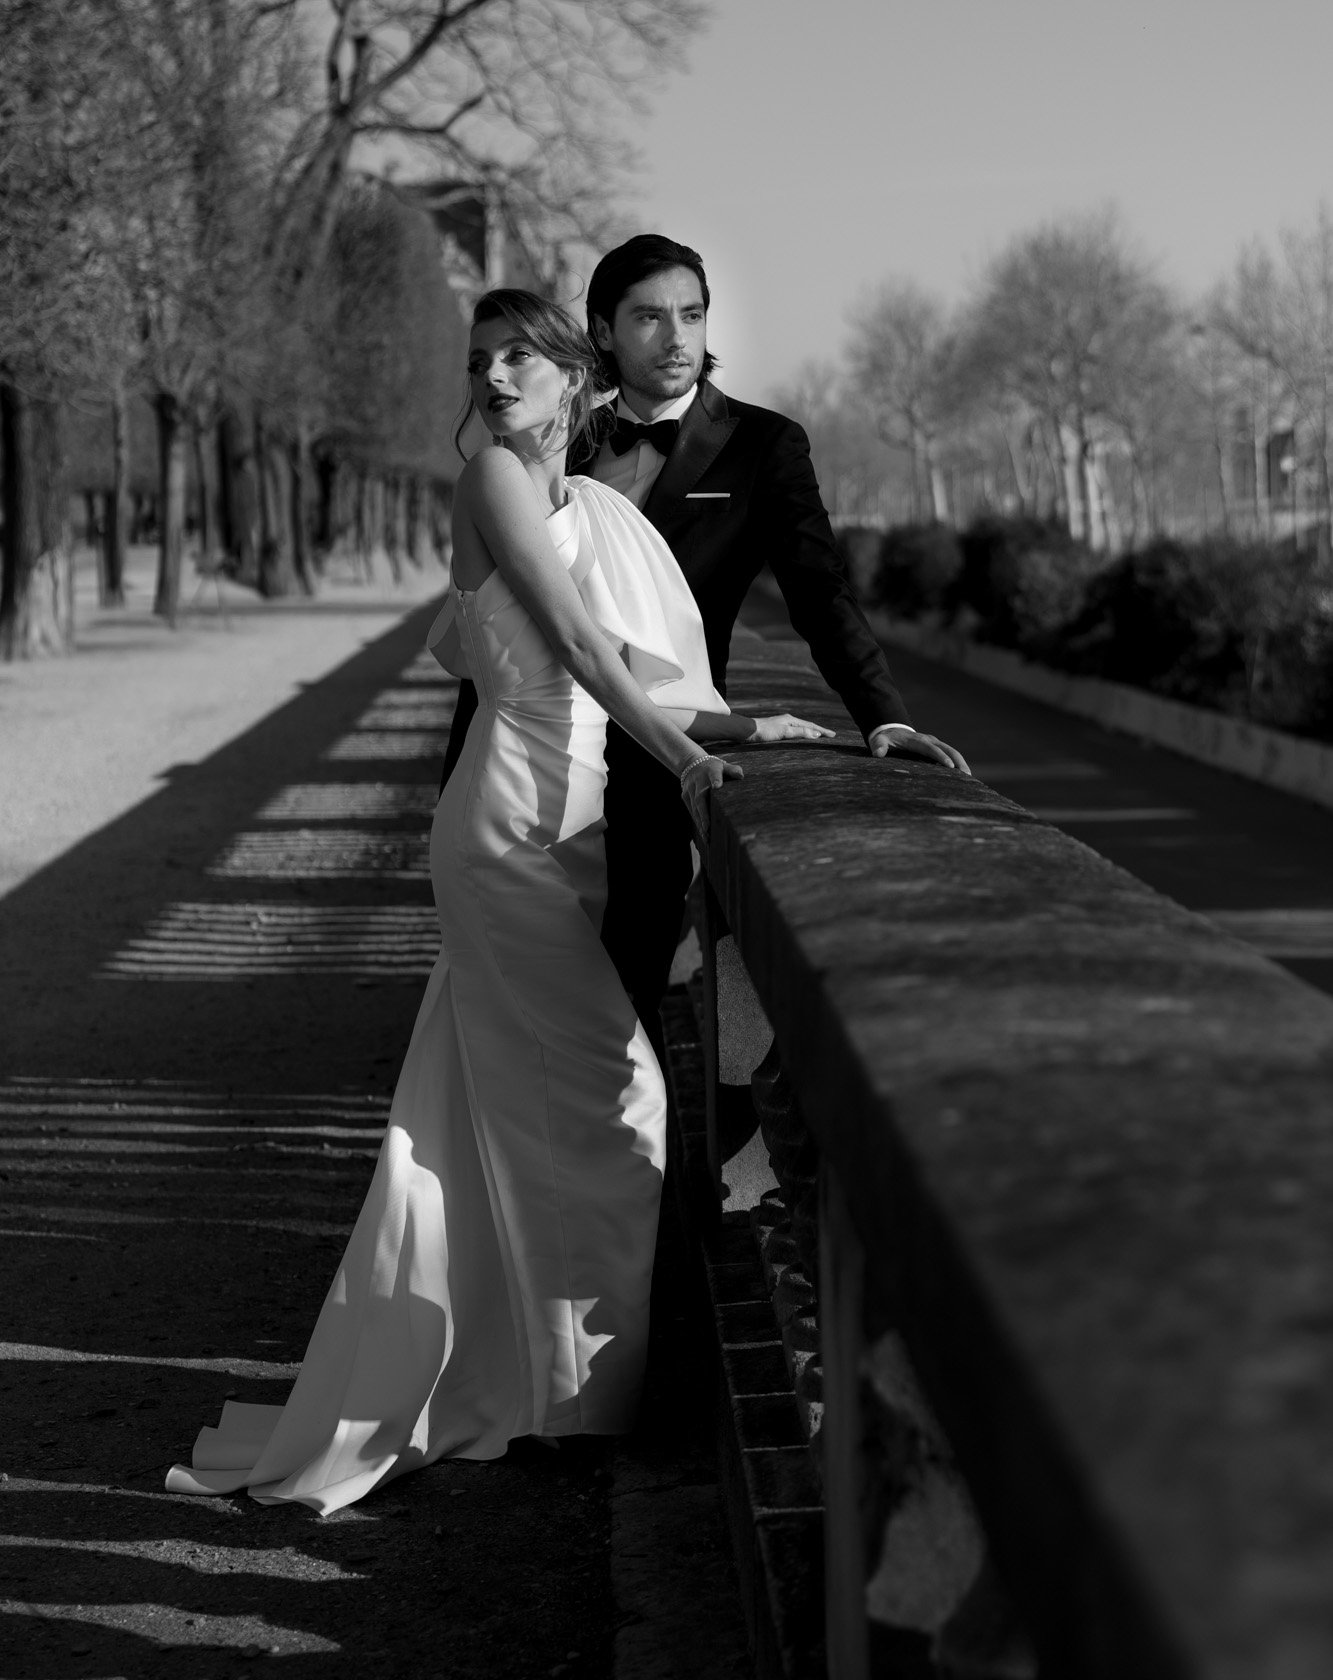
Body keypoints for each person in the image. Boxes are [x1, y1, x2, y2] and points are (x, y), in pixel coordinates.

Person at [165, 290, 832, 1515]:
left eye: (519, 354)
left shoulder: (588, 505)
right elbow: (574, 646)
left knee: (492, 1109)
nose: (495, 375)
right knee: (615, 1090)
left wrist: (741, 722)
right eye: (479, 361)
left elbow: (629, 669)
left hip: (562, 826)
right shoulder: (494, 487)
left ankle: (535, 1381)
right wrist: (688, 766)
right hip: (511, 828)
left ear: (573, 378)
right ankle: (575, 1396)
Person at [441, 234, 969, 1038]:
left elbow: (819, 594)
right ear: (602, 331)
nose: (678, 337)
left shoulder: (765, 446)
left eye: (692, 314)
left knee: (627, 995)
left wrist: (881, 714)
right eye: (650, 317)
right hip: (524, 763)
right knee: (520, 999)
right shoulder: (548, 428)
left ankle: (629, 1157)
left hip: (659, 764)